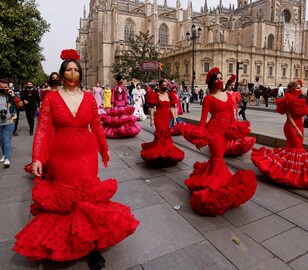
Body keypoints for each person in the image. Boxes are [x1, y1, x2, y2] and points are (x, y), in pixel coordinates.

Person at [13, 49, 139, 270]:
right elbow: (42, 130)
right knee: (66, 199)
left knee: (87, 199)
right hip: (61, 155)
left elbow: (97, 125)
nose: (73, 73)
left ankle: (92, 247)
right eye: (69, 70)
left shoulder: (89, 98)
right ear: (62, 75)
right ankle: (61, 243)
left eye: (76, 70)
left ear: (80, 74)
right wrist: (36, 158)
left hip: (87, 154)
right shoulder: (51, 98)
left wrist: (104, 149)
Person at [181, 67, 257, 216]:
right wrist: (200, 138)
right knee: (217, 159)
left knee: (218, 159)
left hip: (225, 132)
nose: (220, 81)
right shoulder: (208, 98)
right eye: (217, 79)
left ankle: (208, 179)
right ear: (211, 82)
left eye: (221, 78)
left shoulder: (228, 95)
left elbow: (232, 115)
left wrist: (235, 130)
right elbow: (203, 121)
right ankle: (216, 186)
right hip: (214, 132)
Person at [251, 80, 308, 189]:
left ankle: (292, 171)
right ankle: (288, 173)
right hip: (291, 127)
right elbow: (289, 118)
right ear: (292, 89)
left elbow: (302, 114)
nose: (300, 90)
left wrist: (301, 125)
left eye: (300, 88)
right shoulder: (288, 99)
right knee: (295, 148)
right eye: (298, 88)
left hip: (299, 126)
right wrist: (297, 129)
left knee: (296, 149)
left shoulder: (300, 99)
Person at [141, 79, 184, 166]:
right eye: (163, 86)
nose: (165, 87)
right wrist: (151, 119)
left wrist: (175, 118)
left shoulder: (170, 95)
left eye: (166, 85)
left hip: (167, 119)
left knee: (167, 137)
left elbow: (172, 107)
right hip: (159, 119)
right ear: (159, 86)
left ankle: (165, 155)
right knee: (161, 136)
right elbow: (152, 108)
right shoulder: (155, 95)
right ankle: (160, 155)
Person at [224, 75, 256, 157]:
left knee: (235, 130)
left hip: (234, 112)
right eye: (231, 85)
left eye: (234, 85)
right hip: (227, 113)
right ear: (227, 85)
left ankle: (235, 145)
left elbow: (236, 103)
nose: (233, 87)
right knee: (228, 129)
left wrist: (237, 113)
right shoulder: (224, 94)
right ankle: (227, 146)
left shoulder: (235, 94)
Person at [0, 79, 23, 167]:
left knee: (6, 139)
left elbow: (20, 105)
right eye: (1, 87)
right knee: (1, 140)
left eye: (5, 87)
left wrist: (13, 96)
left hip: (9, 121)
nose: (3, 89)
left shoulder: (11, 96)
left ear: (8, 88)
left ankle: (7, 158)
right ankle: (5, 154)